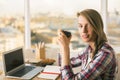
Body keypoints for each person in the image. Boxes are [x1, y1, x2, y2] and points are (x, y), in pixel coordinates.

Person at [57, 9, 117, 80]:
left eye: (88, 25)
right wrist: (64, 45)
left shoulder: (105, 54)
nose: (83, 31)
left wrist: (65, 48)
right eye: (80, 26)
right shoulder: (89, 49)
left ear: (97, 27)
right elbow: (65, 62)